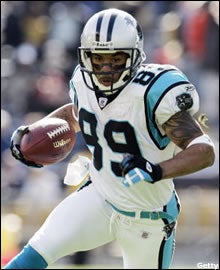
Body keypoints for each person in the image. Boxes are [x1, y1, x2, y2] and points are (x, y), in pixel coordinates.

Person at [4, 8, 215, 269]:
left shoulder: (152, 91)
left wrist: (156, 170)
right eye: (98, 59)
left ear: (135, 57)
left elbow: (204, 149)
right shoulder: (83, 81)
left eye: (116, 60)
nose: (105, 69)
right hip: (100, 197)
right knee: (28, 259)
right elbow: (75, 113)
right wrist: (34, 131)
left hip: (148, 217)